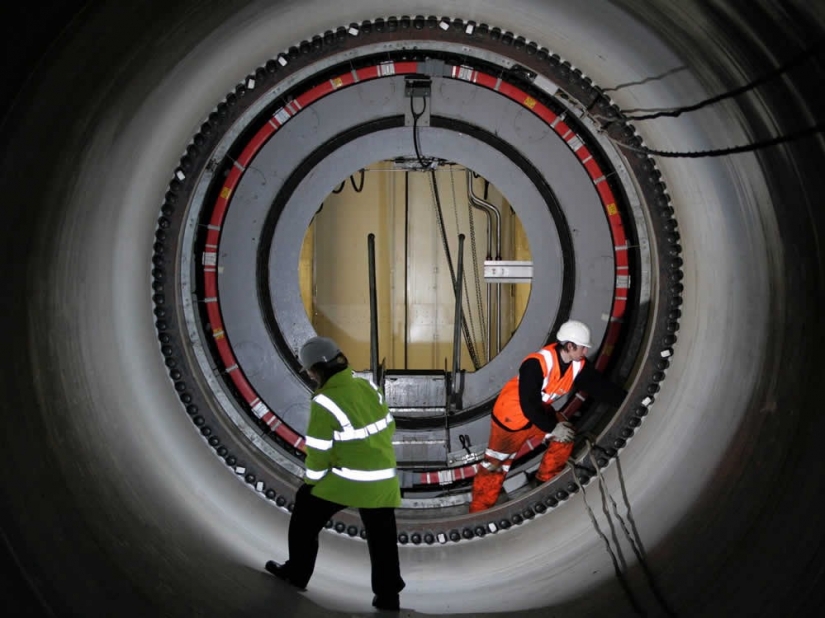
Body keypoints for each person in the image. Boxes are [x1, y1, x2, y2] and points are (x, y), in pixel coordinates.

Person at [264, 336, 405, 611]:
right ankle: (389, 596)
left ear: (315, 371)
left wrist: (312, 482)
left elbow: (318, 452)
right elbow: (389, 425)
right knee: (382, 539)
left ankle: (297, 573)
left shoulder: (325, 402)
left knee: (305, 510)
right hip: (384, 479)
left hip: (348, 479)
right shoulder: (367, 386)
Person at [469, 320, 627, 513]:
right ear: (570, 346)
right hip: (510, 420)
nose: (585, 352)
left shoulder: (577, 366)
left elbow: (602, 388)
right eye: (583, 348)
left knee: (565, 436)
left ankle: (546, 483)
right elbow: (528, 405)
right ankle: (479, 510)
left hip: (537, 414)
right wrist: (552, 427)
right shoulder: (536, 364)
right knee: (495, 466)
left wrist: (631, 399)